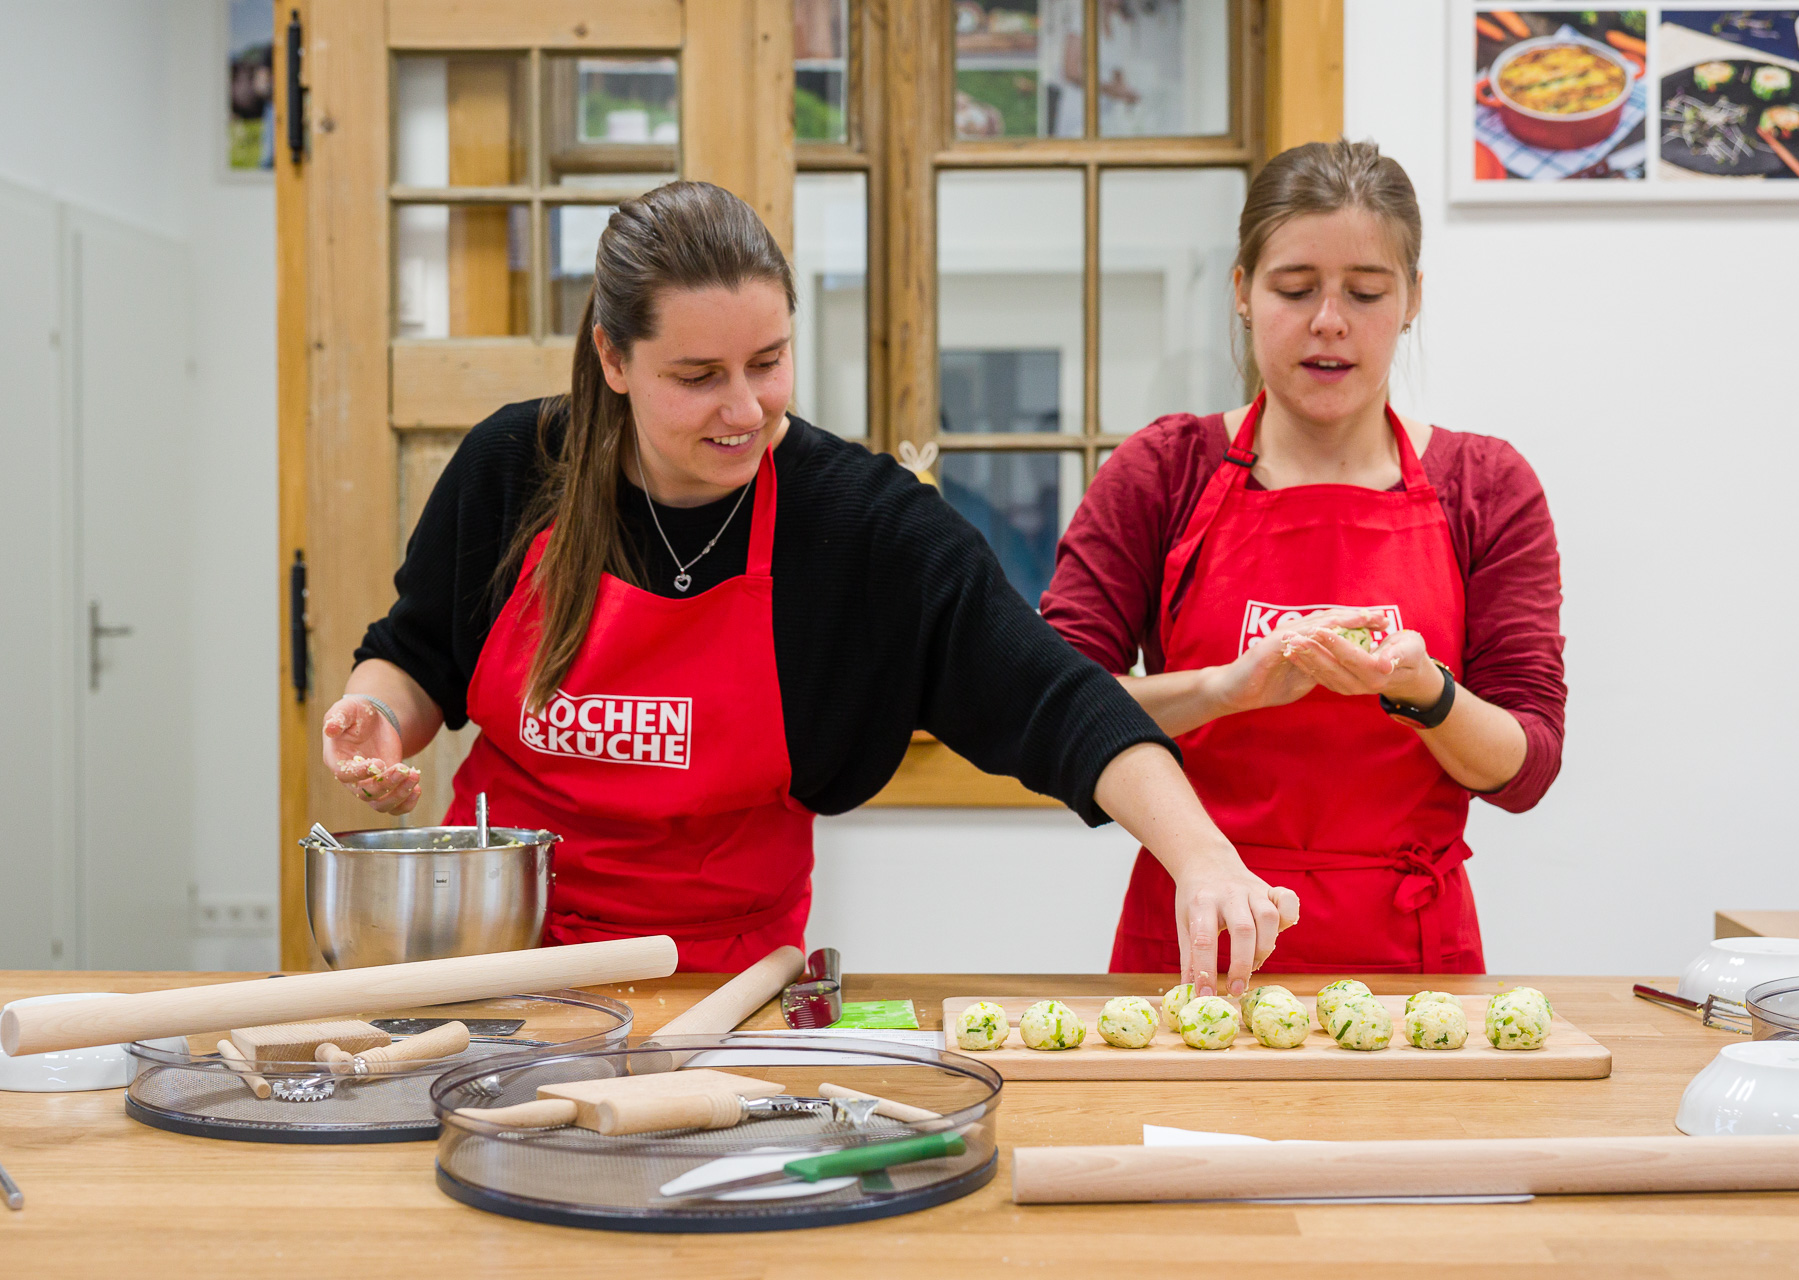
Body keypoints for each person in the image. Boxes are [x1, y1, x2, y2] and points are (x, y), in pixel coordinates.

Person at [323, 181, 1295, 991]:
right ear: (613, 359)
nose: (744, 407)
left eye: (769, 362)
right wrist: (377, 713)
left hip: (726, 987)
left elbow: (1054, 697)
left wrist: (1202, 854)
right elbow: (417, 655)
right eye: (698, 374)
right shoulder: (514, 467)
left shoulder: (858, 528)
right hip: (496, 970)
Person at [1042, 141, 1566, 975]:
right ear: (1244, 291)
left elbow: (1527, 763)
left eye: (1366, 291)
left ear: (1412, 299)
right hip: (1196, 945)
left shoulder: (1486, 486)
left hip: (1412, 966)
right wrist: (1225, 689)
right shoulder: (1164, 472)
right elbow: (1055, 710)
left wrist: (1422, 691)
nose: (1330, 321)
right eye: (1295, 289)